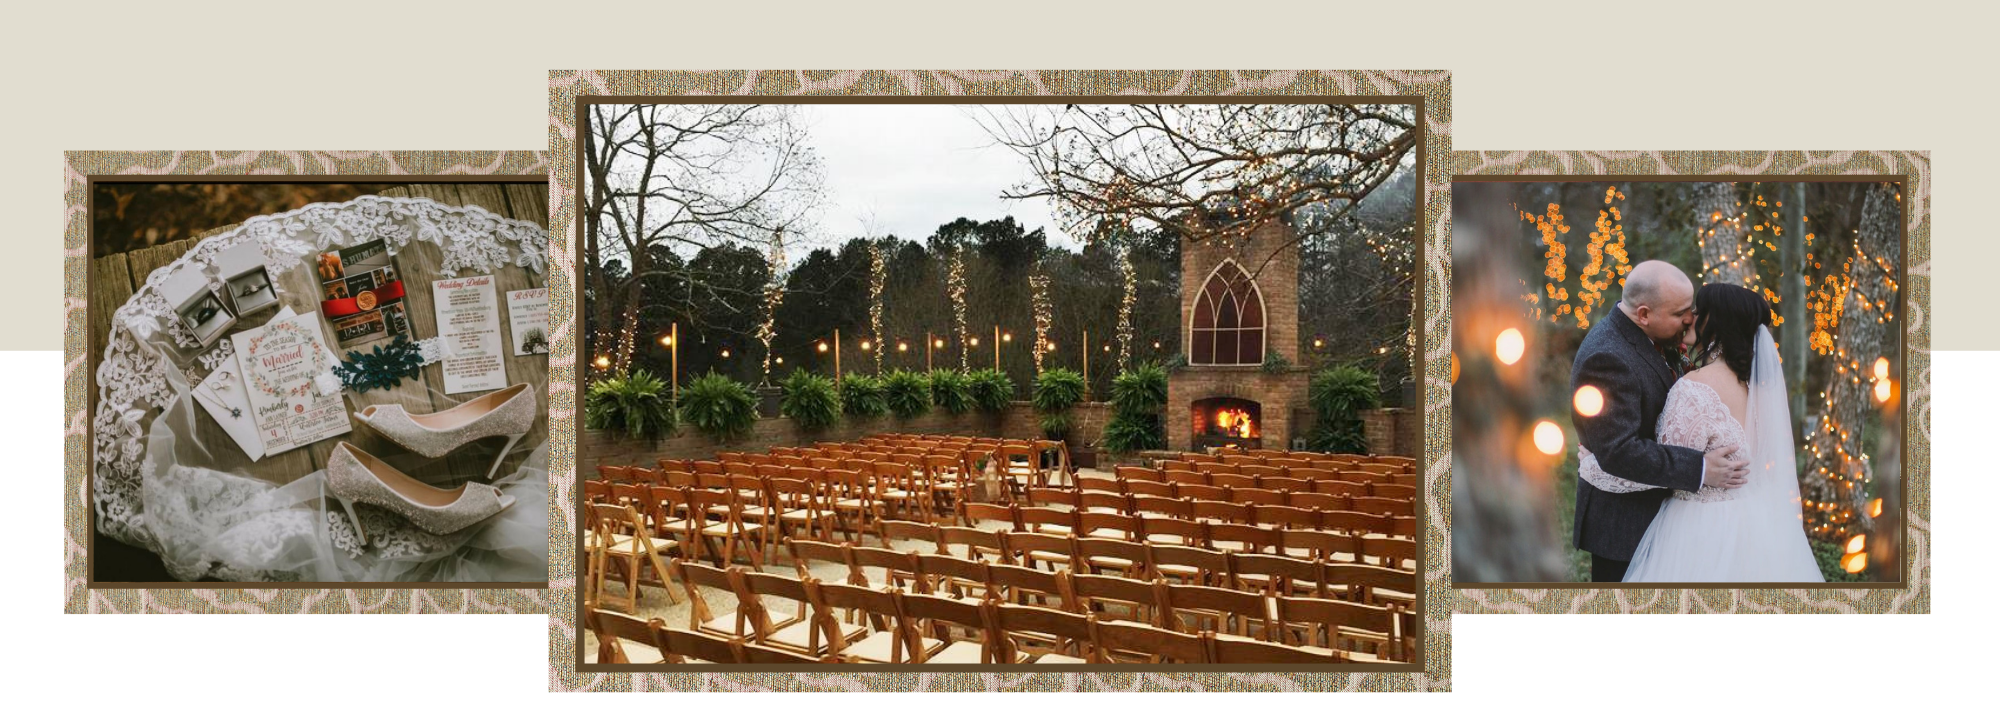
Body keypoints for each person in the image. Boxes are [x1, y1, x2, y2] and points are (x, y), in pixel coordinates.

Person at [1569, 261, 1749, 582]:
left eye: (1690, 310)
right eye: (1680, 313)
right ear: (1644, 314)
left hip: (1666, 521)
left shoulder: (1655, 338)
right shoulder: (1607, 357)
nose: (1690, 319)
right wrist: (1702, 468)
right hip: (1624, 525)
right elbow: (1619, 452)